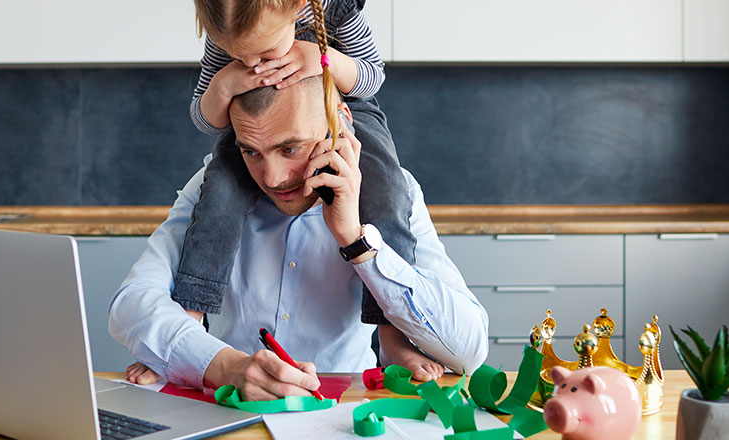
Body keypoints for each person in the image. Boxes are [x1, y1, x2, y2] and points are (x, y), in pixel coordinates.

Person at [109, 76, 489, 400]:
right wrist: (223, 367)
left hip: (348, 416)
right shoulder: (213, 191)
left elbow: (469, 350)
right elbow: (131, 306)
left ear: (338, 122)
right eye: (251, 152)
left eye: (290, 148)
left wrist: (357, 242)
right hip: (231, 414)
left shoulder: (393, 192)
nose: (272, 176)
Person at [175, 0, 421, 368]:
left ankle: (393, 335)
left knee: (386, 193)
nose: (256, 64)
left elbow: (371, 77)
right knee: (219, 197)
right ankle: (188, 321)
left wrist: (322, 60)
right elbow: (205, 119)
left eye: (266, 51)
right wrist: (224, 86)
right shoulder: (225, 31)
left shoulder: (334, 12)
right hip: (258, 126)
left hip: (337, 105)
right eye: (241, 57)